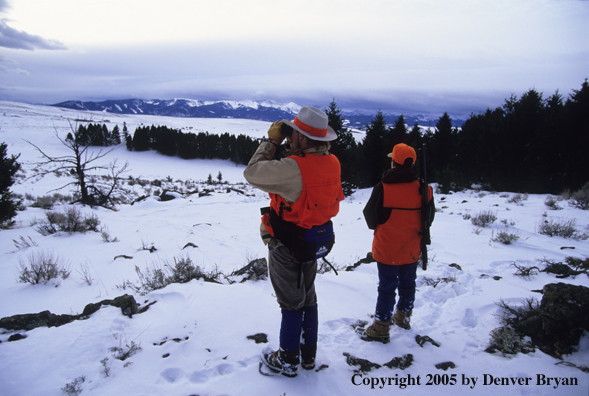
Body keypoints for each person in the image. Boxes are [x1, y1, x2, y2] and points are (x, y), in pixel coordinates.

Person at [243, 106, 344, 377]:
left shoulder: (293, 168)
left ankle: (287, 360)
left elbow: (252, 173)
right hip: (313, 242)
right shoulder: (333, 162)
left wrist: (272, 141)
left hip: (286, 244)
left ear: (301, 138)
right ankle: (308, 355)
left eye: (293, 134)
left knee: (290, 303)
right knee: (308, 297)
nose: (290, 138)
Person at [361, 143, 435, 343]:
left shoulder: (383, 187)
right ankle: (403, 318)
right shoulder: (424, 189)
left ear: (394, 162)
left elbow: (369, 217)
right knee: (408, 283)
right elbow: (429, 218)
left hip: (387, 248)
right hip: (411, 249)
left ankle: (381, 328)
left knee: (387, 287)